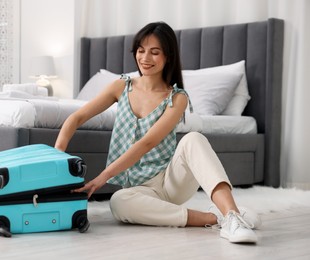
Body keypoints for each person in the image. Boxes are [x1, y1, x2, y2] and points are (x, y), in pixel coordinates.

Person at [55, 21, 260, 244]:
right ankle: (216, 218)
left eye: (154, 52)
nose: (145, 58)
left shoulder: (177, 97)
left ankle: (232, 216)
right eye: (141, 51)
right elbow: (76, 118)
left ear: (168, 56)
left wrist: (101, 178)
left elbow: (146, 143)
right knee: (119, 202)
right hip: (139, 190)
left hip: (169, 182)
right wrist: (54, 161)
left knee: (193, 139)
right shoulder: (121, 86)